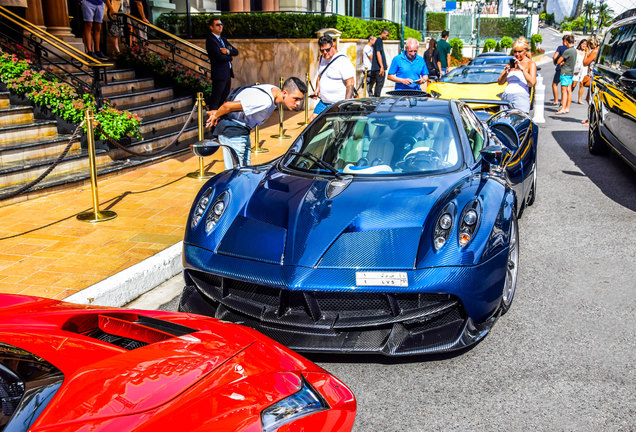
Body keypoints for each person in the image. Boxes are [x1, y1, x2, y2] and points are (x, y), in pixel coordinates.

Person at [206, 78, 307, 170]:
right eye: (296, 99)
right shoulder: (265, 101)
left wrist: (217, 113)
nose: (298, 103)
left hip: (242, 130)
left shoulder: (274, 90)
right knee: (237, 173)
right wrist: (216, 115)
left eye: (300, 100)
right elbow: (228, 106)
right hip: (233, 131)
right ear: (284, 93)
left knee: (244, 170)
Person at [310, 35, 355, 120]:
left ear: (333, 46)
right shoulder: (322, 58)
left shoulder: (342, 60)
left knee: (336, 127)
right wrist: (317, 90)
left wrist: (346, 104)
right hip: (324, 102)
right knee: (312, 122)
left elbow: (350, 83)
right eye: (322, 50)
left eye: (327, 50)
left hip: (338, 103)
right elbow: (320, 76)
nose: (325, 53)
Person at [497, 37, 537, 114]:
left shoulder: (530, 64)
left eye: (520, 51)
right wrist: (506, 72)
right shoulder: (511, 63)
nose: (517, 54)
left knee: (519, 121)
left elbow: (532, 83)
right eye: (515, 52)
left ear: (525, 51)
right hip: (506, 96)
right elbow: (500, 82)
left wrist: (522, 70)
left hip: (520, 97)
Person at [206, 17, 239, 110]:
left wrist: (227, 52)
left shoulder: (223, 39)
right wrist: (230, 57)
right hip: (219, 74)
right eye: (217, 25)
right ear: (211, 27)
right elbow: (219, 57)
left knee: (224, 99)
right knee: (216, 99)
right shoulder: (211, 40)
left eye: (221, 24)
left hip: (227, 73)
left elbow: (235, 51)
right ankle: (213, 122)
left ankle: (221, 120)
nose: (220, 26)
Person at [555, 34, 576, 114]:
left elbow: (558, 61)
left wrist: (562, 62)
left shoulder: (567, 51)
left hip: (565, 72)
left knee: (564, 91)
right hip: (570, 72)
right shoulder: (574, 50)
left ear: (567, 41)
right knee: (569, 90)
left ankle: (562, 108)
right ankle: (567, 107)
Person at [368, 28, 389, 97]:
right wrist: (381, 66)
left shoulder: (378, 41)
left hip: (377, 67)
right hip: (378, 68)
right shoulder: (379, 41)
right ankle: (376, 100)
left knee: (378, 85)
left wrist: (384, 63)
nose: (387, 37)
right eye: (386, 35)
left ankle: (375, 98)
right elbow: (378, 53)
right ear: (383, 33)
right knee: (379, 85)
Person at [552, 35, 568, 105]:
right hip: (567, 69)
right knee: (564, 86)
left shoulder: (560, 48)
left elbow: (554, 57)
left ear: (564, 41)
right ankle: (563, 101)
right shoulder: (571, 49)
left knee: (555, 84)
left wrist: (555, 62)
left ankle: (556, 100)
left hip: (560, 68)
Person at [572, 39, 588, 104]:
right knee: (574, 84)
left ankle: (579, 99)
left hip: (584, 69)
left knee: (582, 84)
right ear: (580, 44)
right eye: (583, 44)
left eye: (585, 44)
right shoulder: (576, 51)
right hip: (576, 68)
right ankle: (568, 95)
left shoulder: (587, 52)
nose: (584, 45)